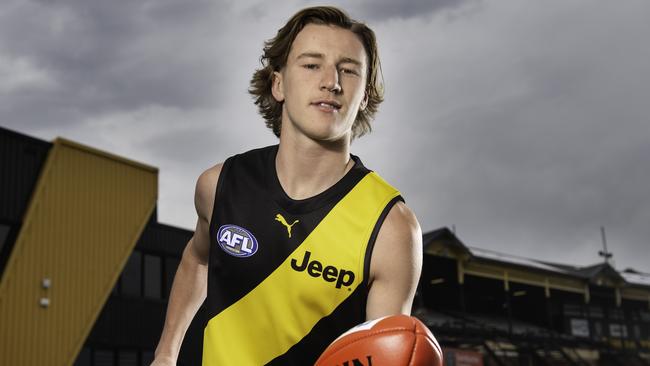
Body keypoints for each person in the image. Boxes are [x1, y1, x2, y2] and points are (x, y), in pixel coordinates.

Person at [151, 6, 422, 365]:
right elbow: (197, 260)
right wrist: (166, 355)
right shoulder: (219, 185)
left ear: (366, 95)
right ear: (278, 83)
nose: (332, 82)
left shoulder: (391, 229)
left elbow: (378, 354)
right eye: (312, 65)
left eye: (349, 70)